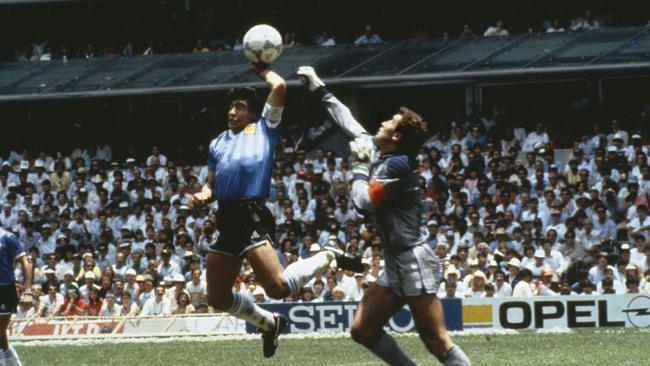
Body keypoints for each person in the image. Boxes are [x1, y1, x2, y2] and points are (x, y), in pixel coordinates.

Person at [297, 65, 470, 365]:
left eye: (391, 121)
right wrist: (318, 87)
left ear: (398, 136)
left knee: (436, 340)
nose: (383, 121)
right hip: (396, 260)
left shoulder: (398, 166)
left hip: (414, 259)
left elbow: (364, 202)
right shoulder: (384, 154)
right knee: (363, 330)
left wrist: (360, 168)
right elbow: (347, 122)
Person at [190, 63, 358, 358]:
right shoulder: (217, 143)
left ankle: (327, 255)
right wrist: (202, 196)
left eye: (240, 107)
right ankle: (268, 323)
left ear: (253, 112)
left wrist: (261, 68)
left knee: (278, 288)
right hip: (227, 218)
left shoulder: (264, 128)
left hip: (252, 213)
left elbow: (279, 85)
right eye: (230, 107)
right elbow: (211, 186)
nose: (232, 112)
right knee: (216, 296)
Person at [1, 227, 32, 366]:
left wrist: (28, 291)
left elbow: (26, 262)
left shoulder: (7, 237)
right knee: (1, 337)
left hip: (4, 290)